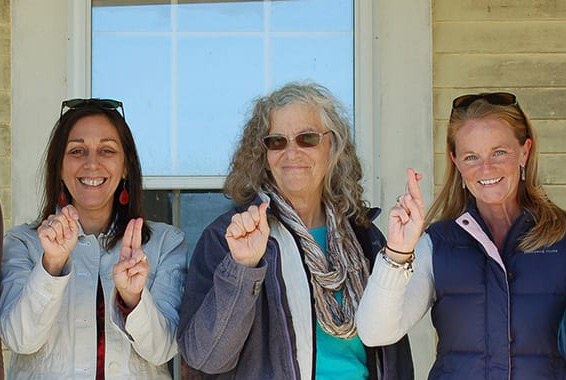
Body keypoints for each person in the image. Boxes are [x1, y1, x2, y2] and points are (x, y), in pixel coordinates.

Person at [177, 83, 413, 380]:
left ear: (333, 147)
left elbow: (392, 348)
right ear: (263, 154)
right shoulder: (229, 236)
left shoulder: (365, 236)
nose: (292, 152)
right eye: (277, 141)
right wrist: (242, 269)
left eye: (307, 138)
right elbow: (205, 358)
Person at [356, 92, 566, 379]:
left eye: (499, 152)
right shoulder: (438, 244)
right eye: (471, 157)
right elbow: (375, 333)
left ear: (525, 151)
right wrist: (397, 250)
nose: (486, 169)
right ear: (456, 162)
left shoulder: (561, 237)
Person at [0, 99, 188, 379]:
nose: (92, 163)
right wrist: (51, 266)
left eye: (107, 150)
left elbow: (163, 349)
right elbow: (19, 339)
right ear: (59, 168)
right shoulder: (24, 242)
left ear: (126, 167)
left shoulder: (165, 243)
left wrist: (133, 298)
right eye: (77, 150)